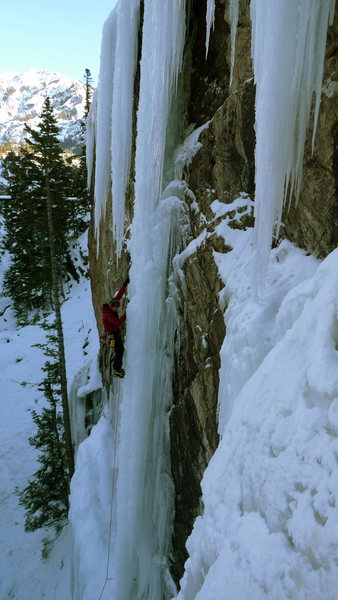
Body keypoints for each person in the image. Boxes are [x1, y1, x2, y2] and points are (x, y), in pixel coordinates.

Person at [101, 276, 129, 377]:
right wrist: (127, 314)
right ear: (112, 306)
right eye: (116, 308)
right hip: (113, 335)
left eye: (118, 307)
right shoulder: (107, 315)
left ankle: (116, 367)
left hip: (114, 332)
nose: (117, 309)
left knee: (119, 350)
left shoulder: (112, 305)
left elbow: (119, 295)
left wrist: (125, 285)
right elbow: (117, 323)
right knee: (120, 350)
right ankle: (116, 369)